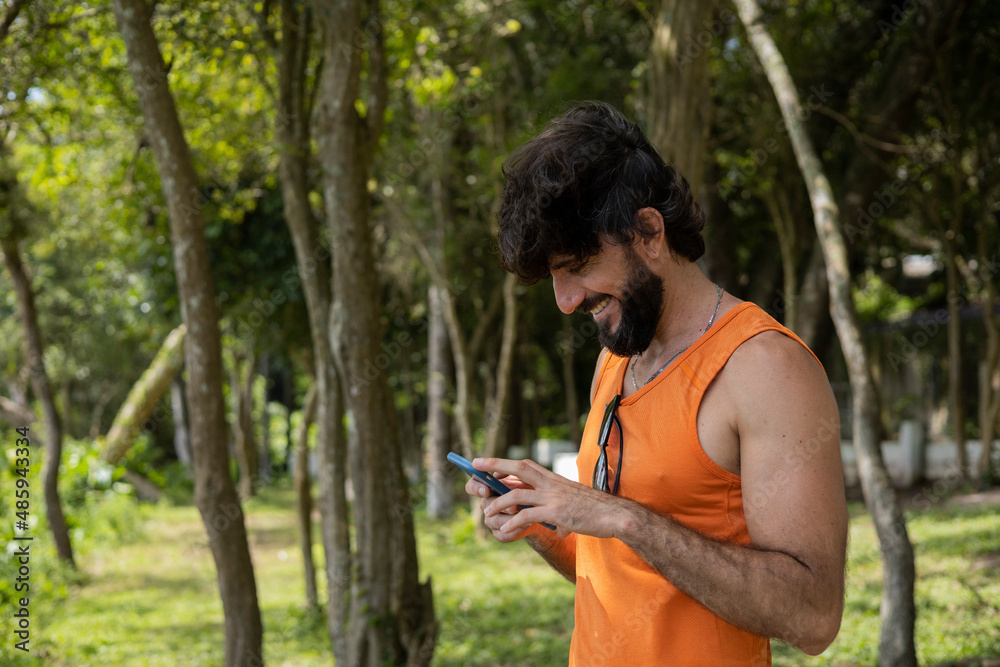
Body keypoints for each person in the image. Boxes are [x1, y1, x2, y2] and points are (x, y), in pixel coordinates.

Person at [463, 101, 848, 666]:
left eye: (577, 266)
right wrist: (541, 519)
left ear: (648, 232)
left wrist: (623, 517)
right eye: (553, 277)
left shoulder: (765, 367)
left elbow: (813, 617)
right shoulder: (614, 362)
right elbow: (622, 567)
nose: (565, 302)